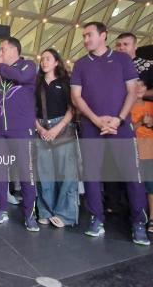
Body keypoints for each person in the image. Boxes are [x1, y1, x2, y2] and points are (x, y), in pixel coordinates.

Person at [71, 22, 149, 245]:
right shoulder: (80, 64)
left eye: (89, 35)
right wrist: (96, 120)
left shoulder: (122, 60)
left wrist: (118, 119)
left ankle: (138, 223)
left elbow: (132, 91)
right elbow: (76, 97)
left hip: (120, 126)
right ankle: (96, 219)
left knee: (132, 174)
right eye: (84, 36)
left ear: (103, 35)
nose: (86, 39)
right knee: (92, 175)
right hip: (91, 127)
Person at [0, 37, 38, 231]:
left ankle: (29, 214)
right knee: (0, 171)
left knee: (26, 172)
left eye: (2, 49)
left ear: (13, 50)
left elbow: (21, 78)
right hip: (0, 130)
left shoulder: (28, 66)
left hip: (22, 129)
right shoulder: (0, 72)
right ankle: (1, 209)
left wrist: (0, 66)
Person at [34, 49, 79, 228]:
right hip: (41, 128)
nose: (44, 62)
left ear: (56, 62)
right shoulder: (36, 83)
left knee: (66, 174)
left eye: (48, 59)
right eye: (42, 59)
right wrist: (39, 128)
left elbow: (72, 108)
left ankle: (65, 214)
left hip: (63, 128)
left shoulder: (65, 81)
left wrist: (57, 128)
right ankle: (45, 211)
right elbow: (30, 109)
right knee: (44, 173)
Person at [130, 80, 153, 233]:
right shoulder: (125, 107)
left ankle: (151, 218)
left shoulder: (151, 105)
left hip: (149, 147)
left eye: (142, 85)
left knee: (150, 184)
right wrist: (141, 122)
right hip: (132, 148)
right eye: (135, 84)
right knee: (136, 185)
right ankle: (138, 216)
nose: (139, 88)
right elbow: (125, 130)